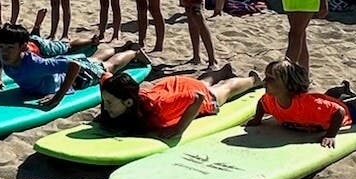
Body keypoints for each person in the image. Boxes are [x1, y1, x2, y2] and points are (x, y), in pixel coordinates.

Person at [90, 52, 259, 131]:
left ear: (128, 102)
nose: (106, 106)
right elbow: (105, 77)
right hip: (171, 85)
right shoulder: (117, 91)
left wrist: (178, 129)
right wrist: (104, 110)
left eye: (110, 103)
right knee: (201, 83)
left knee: (221, 90)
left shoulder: (158, 107)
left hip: (188, 92)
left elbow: (197, 98)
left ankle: (253, 81)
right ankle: (223, 71)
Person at [248, 59, 356, 147]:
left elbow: (339, 112)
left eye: (271, 78)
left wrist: (331, 135)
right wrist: (257, 119)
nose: (265, 81)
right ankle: (341, 90)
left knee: (353, 106)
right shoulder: (270, 100)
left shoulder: (308, 105)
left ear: (288, 85)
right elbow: (261, 103)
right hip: (319, 107)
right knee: (325, 98)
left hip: (337, 115)